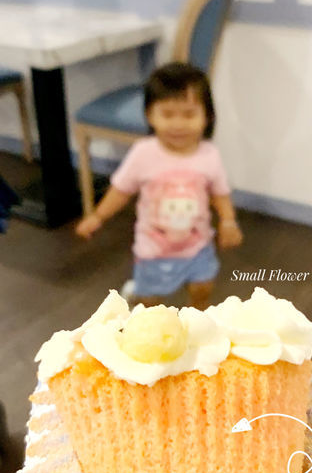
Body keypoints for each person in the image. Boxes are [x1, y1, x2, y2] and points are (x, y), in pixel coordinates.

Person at [76, 62, 243, 310]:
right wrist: (98, 216)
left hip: (197, 246)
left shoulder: (209, 155)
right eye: (167, 114)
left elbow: (220, 193)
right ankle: (142, 301)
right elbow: (121, 190)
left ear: (207, 117)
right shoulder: (143, 153)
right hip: (154, 250)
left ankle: (195, 323)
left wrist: (228, 221)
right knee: (151, 303)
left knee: (202, 288)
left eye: (189, 115)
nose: (178, 124)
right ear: (149, 115)